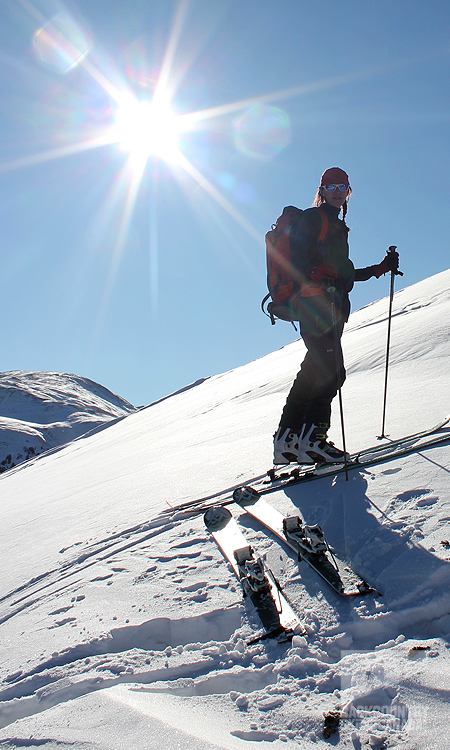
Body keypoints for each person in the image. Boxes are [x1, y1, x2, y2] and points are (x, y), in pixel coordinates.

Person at [273, 166, 399, 465]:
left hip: (326, 306)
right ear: (322, 192)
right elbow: (296, 260)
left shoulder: (335, 226)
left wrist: (379, 269)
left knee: (312, 373)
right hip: (316, 306)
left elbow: (343, 274)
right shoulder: (315, 219)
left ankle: (287, 441)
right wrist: (312, 275)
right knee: (332, 372)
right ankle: (313, 440)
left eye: (342, 187)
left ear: (348, 192)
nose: (337, 193)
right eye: (331, 187)